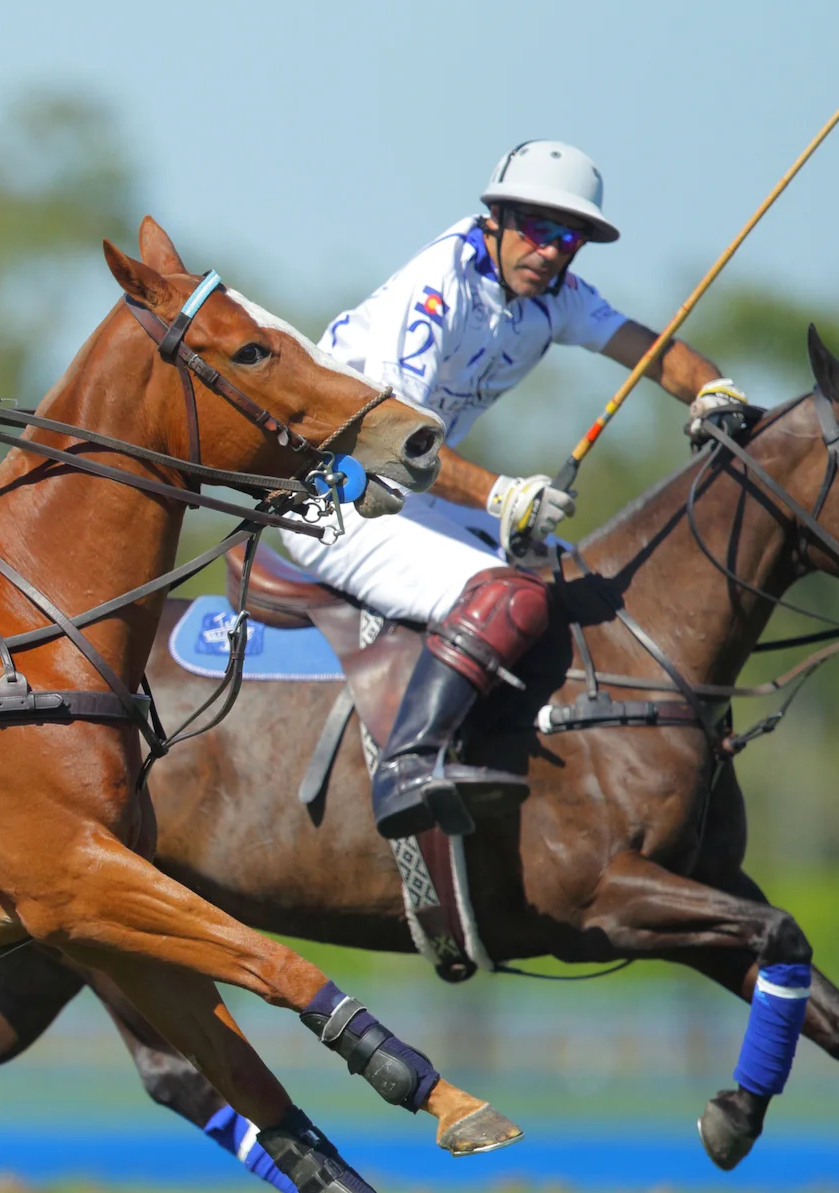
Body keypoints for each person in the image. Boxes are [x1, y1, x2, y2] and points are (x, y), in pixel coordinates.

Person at [295, 140, 748, 838]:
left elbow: (651, 353)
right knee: (507, 593)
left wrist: (712, 388)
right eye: (535, 229)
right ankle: (407, 766)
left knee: (583, 586)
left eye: (568, 237)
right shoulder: (436, 289)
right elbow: (390, 441)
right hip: (336, 495)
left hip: (413, 493)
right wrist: (504, 495)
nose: (549, 250)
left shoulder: (557, 297)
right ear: (496, 219)